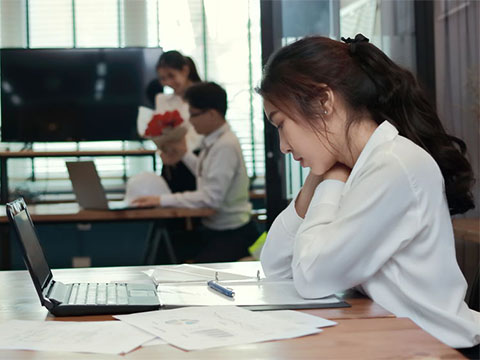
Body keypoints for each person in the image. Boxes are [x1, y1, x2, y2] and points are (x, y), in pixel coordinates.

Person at [257, 34, 479, 353]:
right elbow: (276, 267)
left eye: (281, 124)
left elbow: (312, 276)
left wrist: (330, 180)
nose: (283, 146)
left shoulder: (394, 166)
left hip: (440, 350)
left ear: (323, 101)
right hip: (399, 341)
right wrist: (316, 181)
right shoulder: (362, 165)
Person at [133, 82, 259, 263]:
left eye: (193, 115)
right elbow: (204, 173)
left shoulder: (225, 146)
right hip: (217, 231)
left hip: (232, 235)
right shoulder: (214, 141)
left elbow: (211, 199)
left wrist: (160, 200)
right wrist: (182, 154)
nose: (190, 121)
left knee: (183, 267)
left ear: (212, 114)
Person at [154, 50, 203, 193]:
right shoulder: (163, 100)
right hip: (171, 161)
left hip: (197, 158)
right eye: (163, 78)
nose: (168, 82)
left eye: (171, 76)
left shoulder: (202, 97)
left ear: (185, 70)